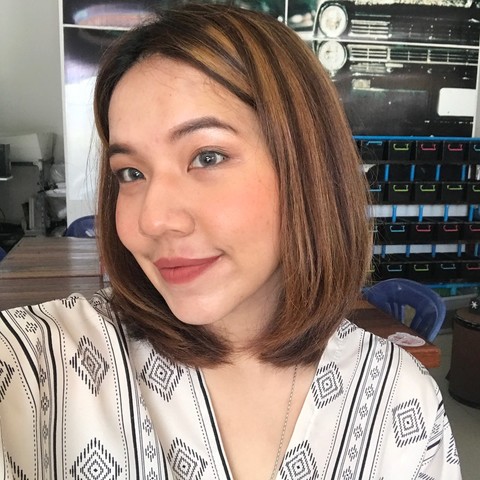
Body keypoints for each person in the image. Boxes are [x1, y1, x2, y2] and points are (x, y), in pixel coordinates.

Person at [0, 3, 460, 479]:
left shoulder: (400, 400)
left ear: (307, 168)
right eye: (131, 173)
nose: (153, 220)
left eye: (207, 157)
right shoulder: (40, 364)